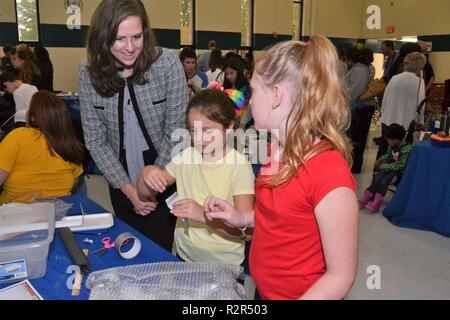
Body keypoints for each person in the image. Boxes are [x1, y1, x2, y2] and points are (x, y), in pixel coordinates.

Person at [203, 36, 358, 300]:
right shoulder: (276, 149)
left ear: (276, 95)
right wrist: (242, 219)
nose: (249, 102)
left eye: (253, 91)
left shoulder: (328, 173)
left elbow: (340, 276)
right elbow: (278, 219)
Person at [78, 0, 188, 251]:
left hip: (164, 170)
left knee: (161, 249)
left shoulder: (167, 63)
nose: (130, 48)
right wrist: (131, 192)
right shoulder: (87, 72)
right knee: (128, 248)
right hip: (120, 175)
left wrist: (151, 186)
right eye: (119, 39)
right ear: (102, 39)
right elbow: (95, 138)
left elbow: (177, 131)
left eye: (136, 37)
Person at [137, 89, 255, 265]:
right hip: (185, 255)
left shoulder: (239, 167)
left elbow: (247, 233)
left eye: (208, 131)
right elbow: (145, 193)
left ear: (229, 127)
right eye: (193, 130)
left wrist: (203, 216)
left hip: (223, 265)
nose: (199, 138)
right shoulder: (186, 156)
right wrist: (146, 173)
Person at [0, 91, 84, 204]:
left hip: (17, 212)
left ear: (32, 116)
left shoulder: (18, 136)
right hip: (60, 212)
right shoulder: (69, 143)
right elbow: (75, 182)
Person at [379, 52, 426, 158]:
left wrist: (383, 115)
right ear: (420, 66)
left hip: (388, 120)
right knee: (402, 154)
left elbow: (385, 98)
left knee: (384, 150)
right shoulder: (419, 82)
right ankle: (399, 174)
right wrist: (421, 121)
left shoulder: (395, 78)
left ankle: (377, 172)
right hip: (406, 123)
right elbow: (421, 104)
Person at [359, 123, 412, 213]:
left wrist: (386, 166)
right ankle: (367, 196)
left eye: (389, 140)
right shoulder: (392, 145)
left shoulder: (407, 149)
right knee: (377, 178)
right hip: (391, 167)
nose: (388, 142)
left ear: (396, 139)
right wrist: (380, 160)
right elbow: (388, 156)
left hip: (399, 171)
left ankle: (377, 202)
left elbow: (401, 165)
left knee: (384, 181)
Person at [346, 47, 376, 173]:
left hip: (360, 109)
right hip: (361, 108)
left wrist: (346, 102)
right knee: (357, 138)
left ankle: (355, 165)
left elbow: (355, 91)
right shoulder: (363, 69)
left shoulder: (359, 70)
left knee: (357, 138)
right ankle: (354, 163)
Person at [222, 57, 251, 125]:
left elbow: (246, 108)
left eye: (232, 73)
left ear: (238, 72)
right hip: (229, 121)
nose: (229, 76)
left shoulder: (245, 88)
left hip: (242, 123)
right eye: (227, 74)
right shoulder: (225, 88)